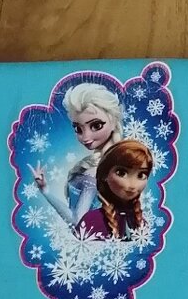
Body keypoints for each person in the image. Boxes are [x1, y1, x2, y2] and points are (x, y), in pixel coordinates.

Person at [32, 82, 123, 226]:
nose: (85, 137)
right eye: (78, 129)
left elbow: (78, 224)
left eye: (96, 126)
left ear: (114, 121)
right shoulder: (105, 167)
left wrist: (46, 191)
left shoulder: (94, 174)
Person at [75, 140, 152, 241]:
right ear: (104, 175)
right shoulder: (91, 221)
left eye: (141, 175)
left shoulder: (141, 223)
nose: (133, 184)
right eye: (122, 173)